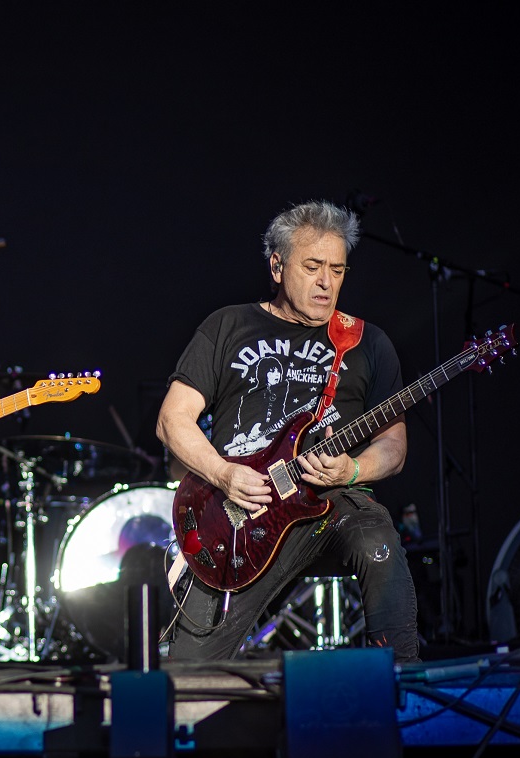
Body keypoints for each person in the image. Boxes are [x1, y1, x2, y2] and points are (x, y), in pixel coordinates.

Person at [155, 199, 421, 663]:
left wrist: (354, 468)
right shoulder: (227, 325)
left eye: (337, 270)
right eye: (313, 266)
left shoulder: (367, 342)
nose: (326, 282)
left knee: (376, 534)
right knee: (183, 676)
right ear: (277, 265)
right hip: (240, 511)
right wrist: (223, 475)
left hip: (330, 499)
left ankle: (403, 683)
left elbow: (394, 447)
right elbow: (172, 419)